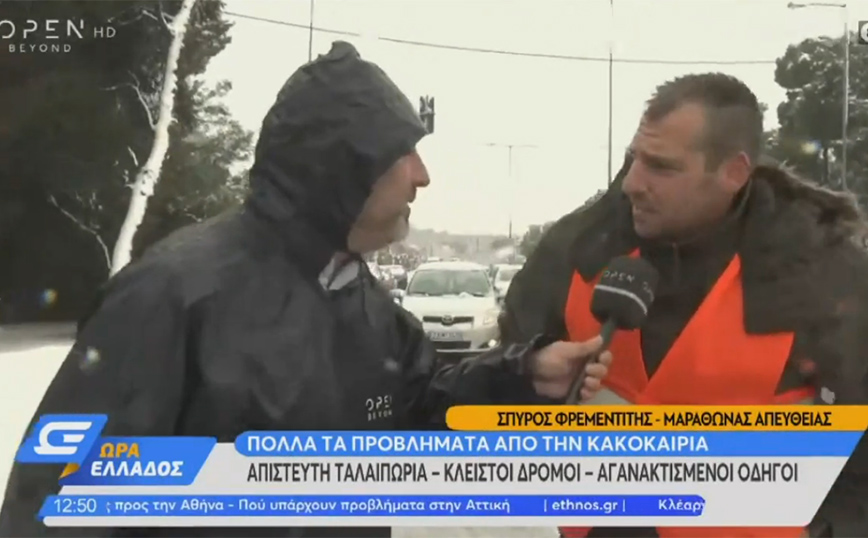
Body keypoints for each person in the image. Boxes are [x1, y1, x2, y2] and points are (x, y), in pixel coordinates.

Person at [0, 41, 612, 538]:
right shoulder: (171, 295)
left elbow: (421, 411)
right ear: (344, 164)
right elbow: (61, 500)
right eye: (404, 153)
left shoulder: (364, 303)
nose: (422, 177)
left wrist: (521, 374)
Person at [499, 73, 868, 538]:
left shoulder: (825, 272)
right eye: (633, 158)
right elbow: (506, 375)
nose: (632, 183)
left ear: (733, 173)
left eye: (661, 167)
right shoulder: (577, 249)